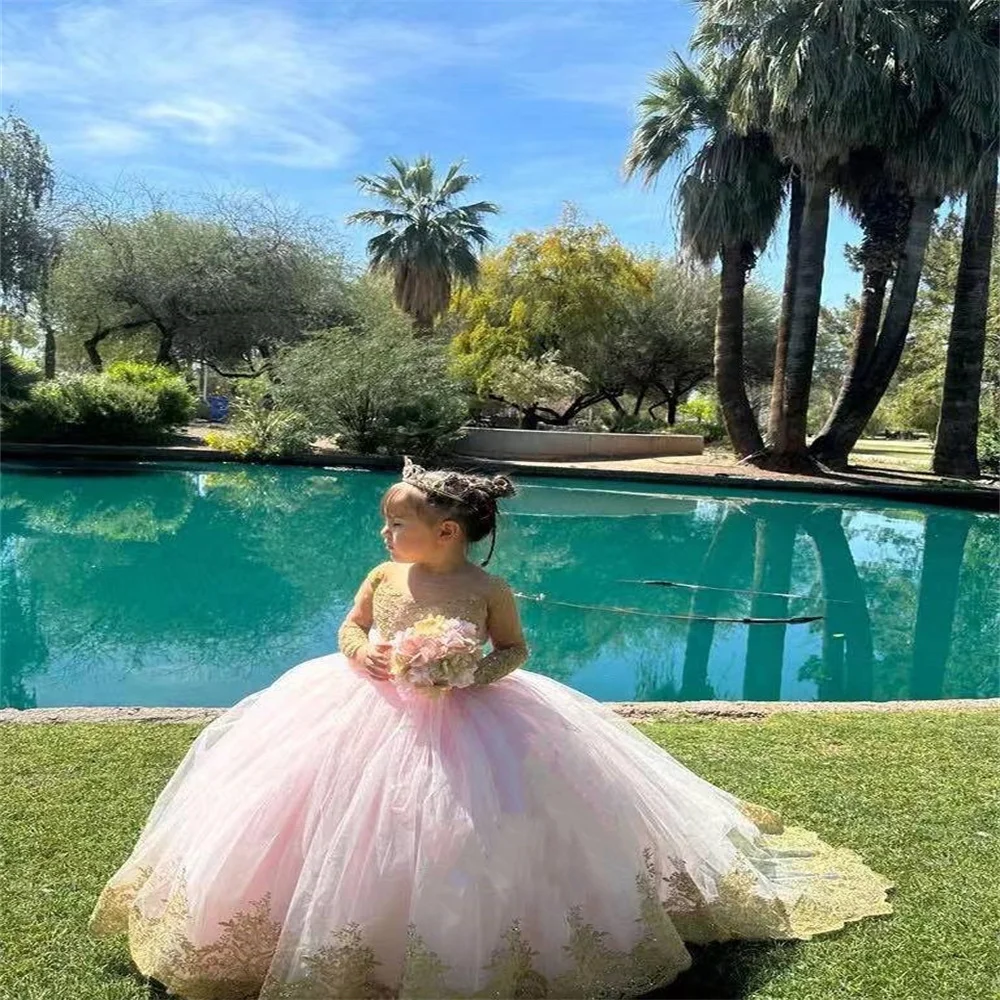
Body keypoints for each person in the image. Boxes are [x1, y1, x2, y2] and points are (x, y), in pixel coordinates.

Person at [90, 460, 892, 999]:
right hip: (360, 711)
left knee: (470, 829)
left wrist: (468, 670)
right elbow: (354, 623)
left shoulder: (488, 586)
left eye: (396, 523)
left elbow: (515, 651)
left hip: (471, 717)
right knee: (325, 820)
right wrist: (364, 650)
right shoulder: (383, 574)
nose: (384, 534)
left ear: (446, 532)